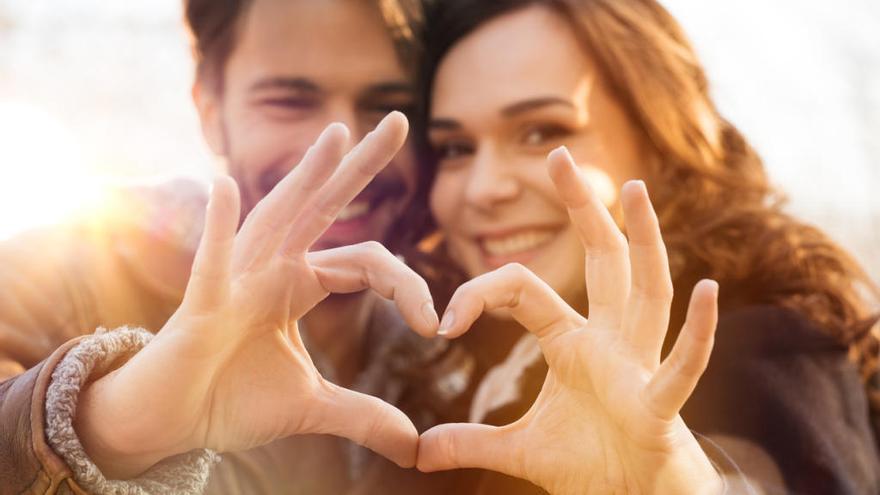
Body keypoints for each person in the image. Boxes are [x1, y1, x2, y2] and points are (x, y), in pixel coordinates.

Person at [395, 0, 880, 493]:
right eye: (455, 148)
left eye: (542, 132)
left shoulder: (757, 347)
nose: (482, 187)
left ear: (658, 136)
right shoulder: (469, 362)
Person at [0, 0, 436, 493]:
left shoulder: (452, 346)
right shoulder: (59, 270)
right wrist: (106, 429)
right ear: (209, 110)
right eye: (289, 101)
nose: (347, 145)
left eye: (387, 107)